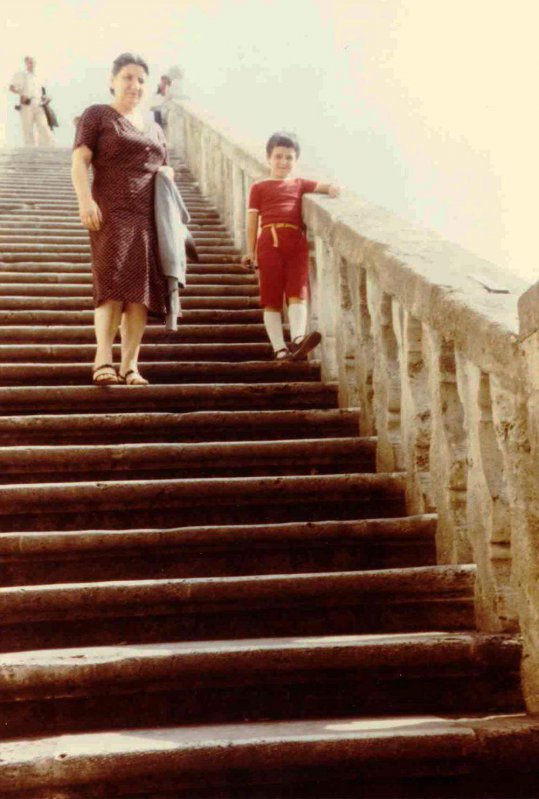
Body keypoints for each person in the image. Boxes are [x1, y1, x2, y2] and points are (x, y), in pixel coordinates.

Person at [71, 52, 169, 386]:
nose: (134, 85)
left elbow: (164, 167)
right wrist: (85, 201)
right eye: (127, 77)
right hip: (110, 213)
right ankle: (103, 360)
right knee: (111, 285)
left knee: (140, 293)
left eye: (141, 80)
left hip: (148, 219)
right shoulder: (98, 115)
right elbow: (80, 160)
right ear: (112, 81)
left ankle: (130, 366)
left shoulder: (155, 128)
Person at [242, 132, 340, 360]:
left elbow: (321, 186)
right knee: (272, 297)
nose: (283, 162)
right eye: (278, 156)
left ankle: (297, 339)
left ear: (296, 161)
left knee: (298, 292)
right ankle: (279, 348)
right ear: (268, 158)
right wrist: (250, 251)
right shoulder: (259, 187)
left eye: (289, 157)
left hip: (296, 243)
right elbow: (252, 221)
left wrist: (332, 188)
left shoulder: (299, 184)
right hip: (270, 242)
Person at [9, 56, 55, 147]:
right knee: (28, 129)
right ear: (26, 63)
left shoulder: (39, 76)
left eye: (33, 62)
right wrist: (21, 94)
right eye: (29, 62)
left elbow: (43, 91)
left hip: (38, 104)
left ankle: (49, 147)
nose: (31, 64)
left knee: (43, 126)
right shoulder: (21, 75)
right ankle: (29, 150)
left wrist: (47, 98)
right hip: (27, 104)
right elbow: (12, 88)